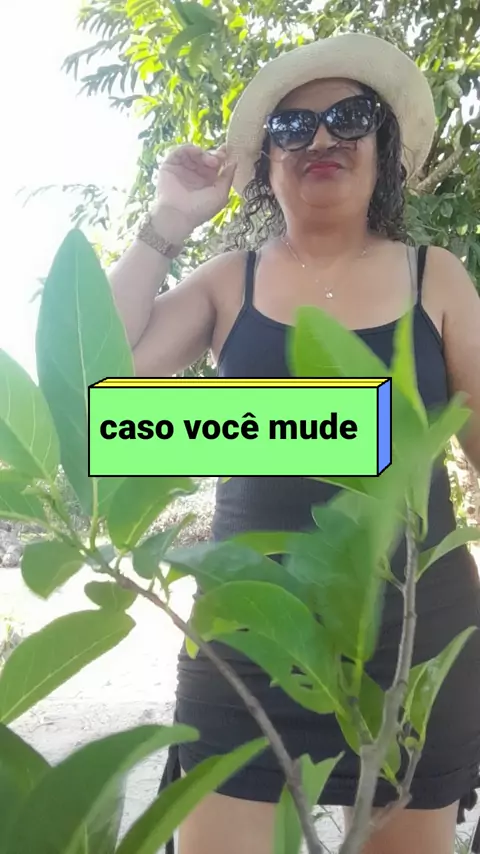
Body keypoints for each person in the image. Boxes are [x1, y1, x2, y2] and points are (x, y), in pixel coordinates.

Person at [110, 32, 480, 854]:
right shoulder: (228, 280)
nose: (320, 139)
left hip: (415, 635)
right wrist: (168, 222)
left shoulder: (438, 278)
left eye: (350, 118)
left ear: (384, 147)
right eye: (291, 126)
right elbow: (100, 381)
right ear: (265, 164)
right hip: (249, 635)